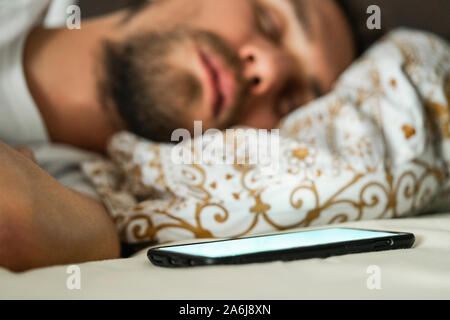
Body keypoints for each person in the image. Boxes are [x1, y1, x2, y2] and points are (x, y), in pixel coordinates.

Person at [0, 0, 447, 271]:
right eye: (270, 22)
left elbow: (25, 226)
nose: (269, 69)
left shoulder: (83, 193)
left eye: (292, 103)